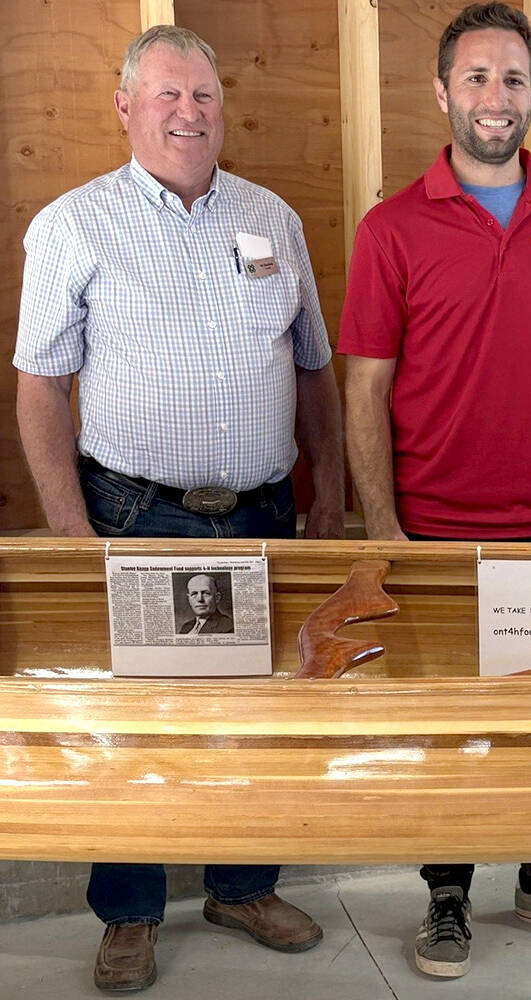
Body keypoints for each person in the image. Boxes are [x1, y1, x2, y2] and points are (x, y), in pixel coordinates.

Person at [14, 25, 344, 993]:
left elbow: (313, 366)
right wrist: (71, 531)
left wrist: (326, 498)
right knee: (138, 724)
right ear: (125, 106)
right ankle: (129, 911)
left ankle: (241, 885)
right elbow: (39, 385)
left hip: (261, 516)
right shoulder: (74, 224)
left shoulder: (270, 218)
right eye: (167, 96)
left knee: (254, 716)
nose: (188, 114)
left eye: (202, 96)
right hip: (131, 516)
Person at [338, 2, 531, 980]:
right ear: (440, 92)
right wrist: (382, 528)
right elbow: (365, 386)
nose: (493, 97)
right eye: (475, 77)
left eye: (511, 79)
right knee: (447, 730)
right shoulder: (390, 228)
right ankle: (446, 890)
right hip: (431, 532)